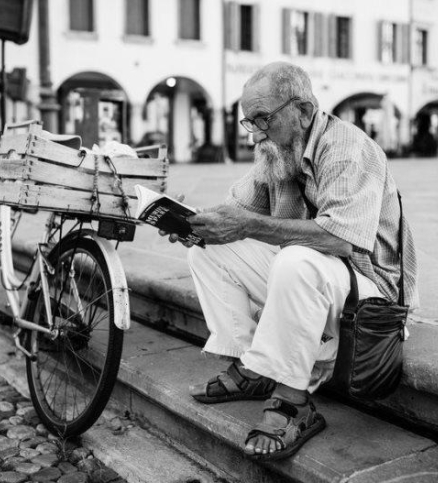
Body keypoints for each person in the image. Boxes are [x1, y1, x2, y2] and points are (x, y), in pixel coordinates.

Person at [163, 62, 419, 461]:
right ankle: (255, 369)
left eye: (264, 118)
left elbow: (340, 240)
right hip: (312, 278)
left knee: (296, 259)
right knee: (211, 249)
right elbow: (236, 211)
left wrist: (247, 225)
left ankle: (293, 400)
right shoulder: (277, 151)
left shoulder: (347, 149)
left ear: (302, 110)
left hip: (369, 294)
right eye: (250, 122)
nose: (257, 133)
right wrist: (193, 222)